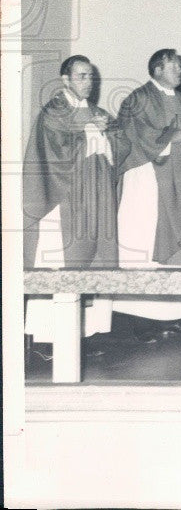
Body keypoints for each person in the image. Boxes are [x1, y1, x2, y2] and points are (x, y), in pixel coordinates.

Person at [23, 55, 126, 343]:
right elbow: (53, 149)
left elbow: (120, 144)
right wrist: (88, 129)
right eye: (81, 76)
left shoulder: (97, 112)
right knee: (63, 258)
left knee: (94, 258)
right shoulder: (54, 110)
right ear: (65, 80)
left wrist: (108, 134)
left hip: (95, 200)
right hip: (64, 201)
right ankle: (51, 338)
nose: (88, 82)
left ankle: (84, 335)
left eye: (90, 76)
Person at [114, 49, 181, 332]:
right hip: (148, 181)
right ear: (157, 70)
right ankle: (137, 319)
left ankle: (176, 315)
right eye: (175, 67)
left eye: (180, 66)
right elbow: (130, 137)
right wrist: (172, 138)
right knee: (143, 239)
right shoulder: (138, 100)